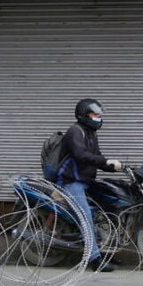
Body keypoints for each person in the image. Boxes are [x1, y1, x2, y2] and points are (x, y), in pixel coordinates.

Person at [57, 98, 123, 272]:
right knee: (85, 216)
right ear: (83, 115)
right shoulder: (75, 131)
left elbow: (96, 158)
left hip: (86, 181)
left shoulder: (91, 133)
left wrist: (113, 166)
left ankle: (104, 252)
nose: (98, 118)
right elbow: (81, 155)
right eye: (95, 114)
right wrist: (105, 160)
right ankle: (94, 259)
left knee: (109, 207)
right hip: (71, 182)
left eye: (99, 115)